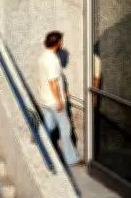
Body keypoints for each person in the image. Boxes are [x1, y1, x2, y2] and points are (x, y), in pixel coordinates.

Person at [37, 31, 83, 167]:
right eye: (61, 41)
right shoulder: (52, 60)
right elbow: (52, 82)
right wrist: (59, 100)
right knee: (65, 129)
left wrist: (63, 92)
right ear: (57, 42)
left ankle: (40, 151)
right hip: (53, 102)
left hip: (45, 100)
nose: (62, 43)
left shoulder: (42, 57)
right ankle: (71, 159)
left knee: (49, 127)